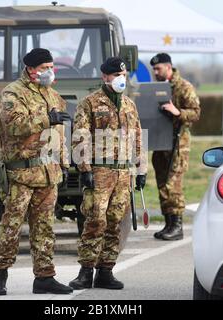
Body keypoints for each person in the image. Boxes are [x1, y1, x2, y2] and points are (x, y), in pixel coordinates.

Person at [0, 48, 73, 296]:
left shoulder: (53, 95)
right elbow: (14, 126)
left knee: (45, 227)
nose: (50, 71)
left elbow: (59, 135)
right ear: (31, 69)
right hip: (21, 174)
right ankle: (1, 273)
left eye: (51, 66)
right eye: (45, 67)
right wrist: (47, 119)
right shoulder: (12, 93)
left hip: (48, 173)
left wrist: (65, 163)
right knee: (11, 226)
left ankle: (45, 278)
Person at [69, 57, 147, 290]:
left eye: (123, 75)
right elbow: (80, 135)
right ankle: (85, 271)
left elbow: (138, 138)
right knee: (95, 220)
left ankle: (106, 271)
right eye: (116, 75)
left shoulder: (129, 105)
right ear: (105, 77)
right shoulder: (90, 103)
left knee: (114, 222)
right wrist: (84, 169)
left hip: (124, 173)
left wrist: (141, 169)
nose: (120, 79)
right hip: (100, 171)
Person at [150, 53, 201, 241]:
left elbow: (196, 113)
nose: (155, 72)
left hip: (178, 144)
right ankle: (168, 223)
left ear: (169, 67)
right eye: (154, 69)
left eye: (158, 68)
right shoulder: (156, 88)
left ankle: (177, 226)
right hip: (160, 142)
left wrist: (177, 112)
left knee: (173, 185)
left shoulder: (183, 87)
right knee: (162, 183)